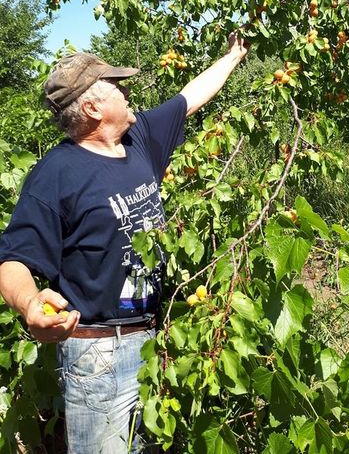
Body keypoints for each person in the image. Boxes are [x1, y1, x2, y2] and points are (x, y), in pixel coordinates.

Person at [0, 32, 248, 453]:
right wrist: (28, 306)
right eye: (117, 85)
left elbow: (191, 96)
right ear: (94, 107)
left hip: (155, 344)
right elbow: (12, 260)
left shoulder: (139, 140)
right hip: (97, 355)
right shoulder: (56, 173)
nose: (128, 89)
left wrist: (233, 57)